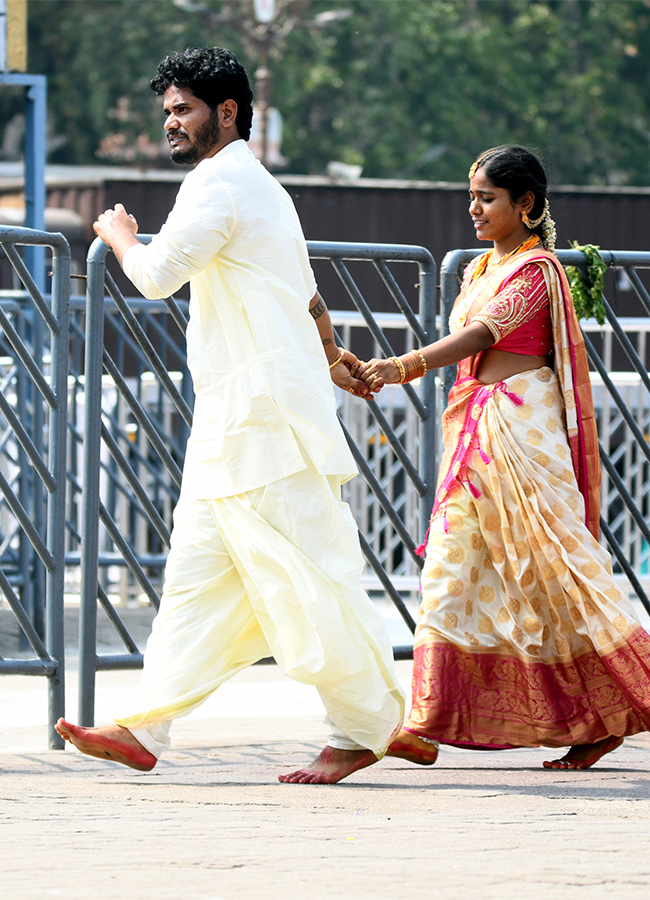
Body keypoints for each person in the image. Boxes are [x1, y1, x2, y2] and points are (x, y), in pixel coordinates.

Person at [55, 46, 404, 785]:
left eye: (182, 110)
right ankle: (144, 727)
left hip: (262, 421)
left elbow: (154, 277)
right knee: (196, 576)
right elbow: (310, 298)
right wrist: (337, 359)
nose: (171, 124)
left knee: (306, 575)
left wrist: (116, 231)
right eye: (168, 113)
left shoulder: (220, 187)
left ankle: (367, 724)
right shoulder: (262, 187)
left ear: (228, 112)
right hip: (242, 418)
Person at [357, 145, 650, 770]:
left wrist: (402, 365)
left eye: (488, 198)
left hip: (522, 431)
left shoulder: (536, 270)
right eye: (472, 196)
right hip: (476, 433)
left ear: (527, 204)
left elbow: (485, 334)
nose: (475, 208)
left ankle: (606, 715)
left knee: (559, 575)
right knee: (452, 565)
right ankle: (426, 719)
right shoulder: (478, 268)